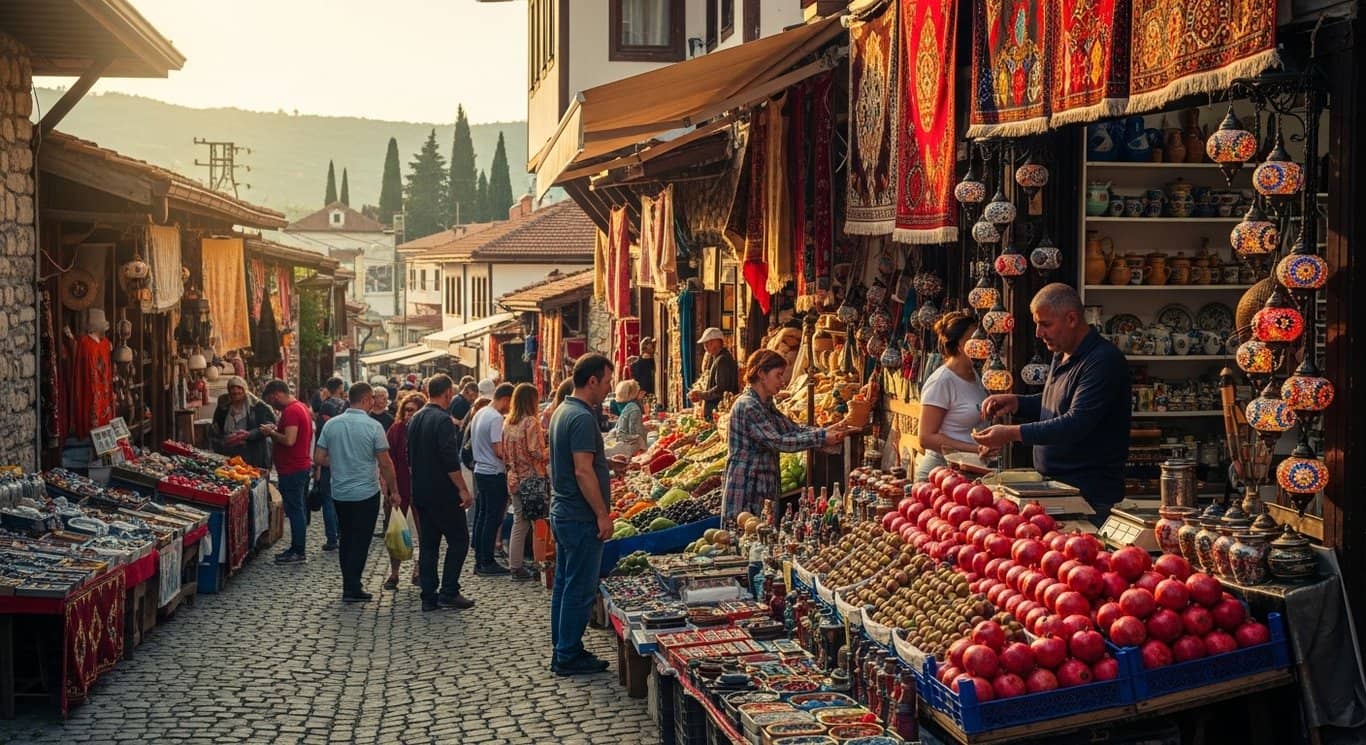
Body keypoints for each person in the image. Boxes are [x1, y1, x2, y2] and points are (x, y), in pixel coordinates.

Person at [973, 283, 1132, 520]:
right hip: (1060, 488)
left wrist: (1012, 433)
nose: (1038, 333)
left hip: (1089, 496)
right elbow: (1059, 402)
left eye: (1045, 324)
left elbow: (1076, 422)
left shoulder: (1103, 361)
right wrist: (1018, 403)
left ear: (1071, 318)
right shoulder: (1061, 352)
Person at [723, 349, 853, 524]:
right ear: (761, 374)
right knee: (744, 540)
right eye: (778, 375)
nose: (783, 382)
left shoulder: (765, 404)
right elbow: (778, 441)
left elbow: (792, 429)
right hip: (747, 488)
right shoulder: (748, 406)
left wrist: (827, 430)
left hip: (763, 487)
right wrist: (822, 437)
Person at [548, 354, 616, 676]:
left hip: (563, 510)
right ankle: (568, 655)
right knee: (579, 587)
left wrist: (608, 465)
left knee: (564, 583)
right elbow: (582, 471)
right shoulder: (583, 417)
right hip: (579, 515)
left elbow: (579, 462)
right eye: (606, 382)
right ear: (592, 381)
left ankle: (563, 646)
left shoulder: (563, 410)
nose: (608, 388)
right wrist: (602, 514)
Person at [313, 382, 399, 602]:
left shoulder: (332, 425)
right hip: (366, 492)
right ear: (366, 400)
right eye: (372, 399)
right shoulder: (373, 427)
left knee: (347, 538)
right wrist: (394, 490)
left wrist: (339, 460)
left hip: (340, 492)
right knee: (360, 541)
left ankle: (349, 584)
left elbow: (319, 458)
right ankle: (353, 587)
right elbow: (386, 463)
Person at [407, 375, 476, 611]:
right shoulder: (443, 420)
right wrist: (463, 490)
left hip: (421, 491)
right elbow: (449, 460)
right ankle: (448, 590)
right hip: (442, 493)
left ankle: (428, 595)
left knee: (429, 544)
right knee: (458, 540)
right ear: (447, 393)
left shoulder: (416, 418)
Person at [915, 312, 989, 481]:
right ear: (959, 345)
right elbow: (926, 438)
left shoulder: (975, 376)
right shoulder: (942, 381)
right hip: (939, 472)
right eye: (973, 339)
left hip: (967, 470)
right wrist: (974, 448)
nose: (980, 343)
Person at [260, 380, 315, 564]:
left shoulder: (291, 411)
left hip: (293, 468)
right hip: (297, 467)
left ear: (276, 394)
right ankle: (296, 548)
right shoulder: (300, 407)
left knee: (295, 511)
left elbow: (290, 440)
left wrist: (271, 433)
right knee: (296, 510)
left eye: (270, 400)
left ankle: (298, 551)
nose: (272, 405)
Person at [503, 383, 547, 582]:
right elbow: (535, 451)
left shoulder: (508, 423)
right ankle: (541, 565)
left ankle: (515, 566)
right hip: (532, 477)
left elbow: (504, 454)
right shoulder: (531, 422)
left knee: (519, 523)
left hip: (514, 478)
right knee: (538, 522)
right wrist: (550, 451)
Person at [470, 383, 514, 575]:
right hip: (493, 472)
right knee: (493, 517)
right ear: (505, 399)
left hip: (481, 470)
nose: (510, 407)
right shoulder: (495, 418)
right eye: (510, 403)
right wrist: (513, 456)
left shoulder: (481, 413)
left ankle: (480, 559)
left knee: (482, 516)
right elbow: (498, 450)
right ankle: (487, 561)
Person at [384, 391, 425, 590]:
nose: (409, 414)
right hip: (399, 487)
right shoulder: (396, 430)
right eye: (406, 410)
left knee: (424, 532)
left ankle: (419, 569)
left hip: (421, 487)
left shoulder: (425, 430)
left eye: (413, 411)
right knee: (395, 531)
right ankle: (394, 573)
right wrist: (390, 488)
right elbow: (387, 459)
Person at [209, 376, 276, 469]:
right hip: (230, 453)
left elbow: (270, 426)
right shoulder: (223, 406)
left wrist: (249, 435)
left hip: (253, 454)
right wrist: (223, 441)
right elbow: (215, 429)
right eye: (232, 389)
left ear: (245, 390)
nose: (236, 391)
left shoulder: (257, 406)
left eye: (239, 388)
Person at [690, 327, 740, 419]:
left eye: (708, 343)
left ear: (717, 342)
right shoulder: (719, 358)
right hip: (715, 412)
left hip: (717, 412)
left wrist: (701, 395)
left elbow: (720, 389)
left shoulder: (722, 360)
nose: (705, 346)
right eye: (705, 344)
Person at [606, 380, 646, 459]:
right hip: (628, 449)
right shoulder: (634, 408)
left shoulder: (628, 406)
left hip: (620, 443)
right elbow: (635, 432)